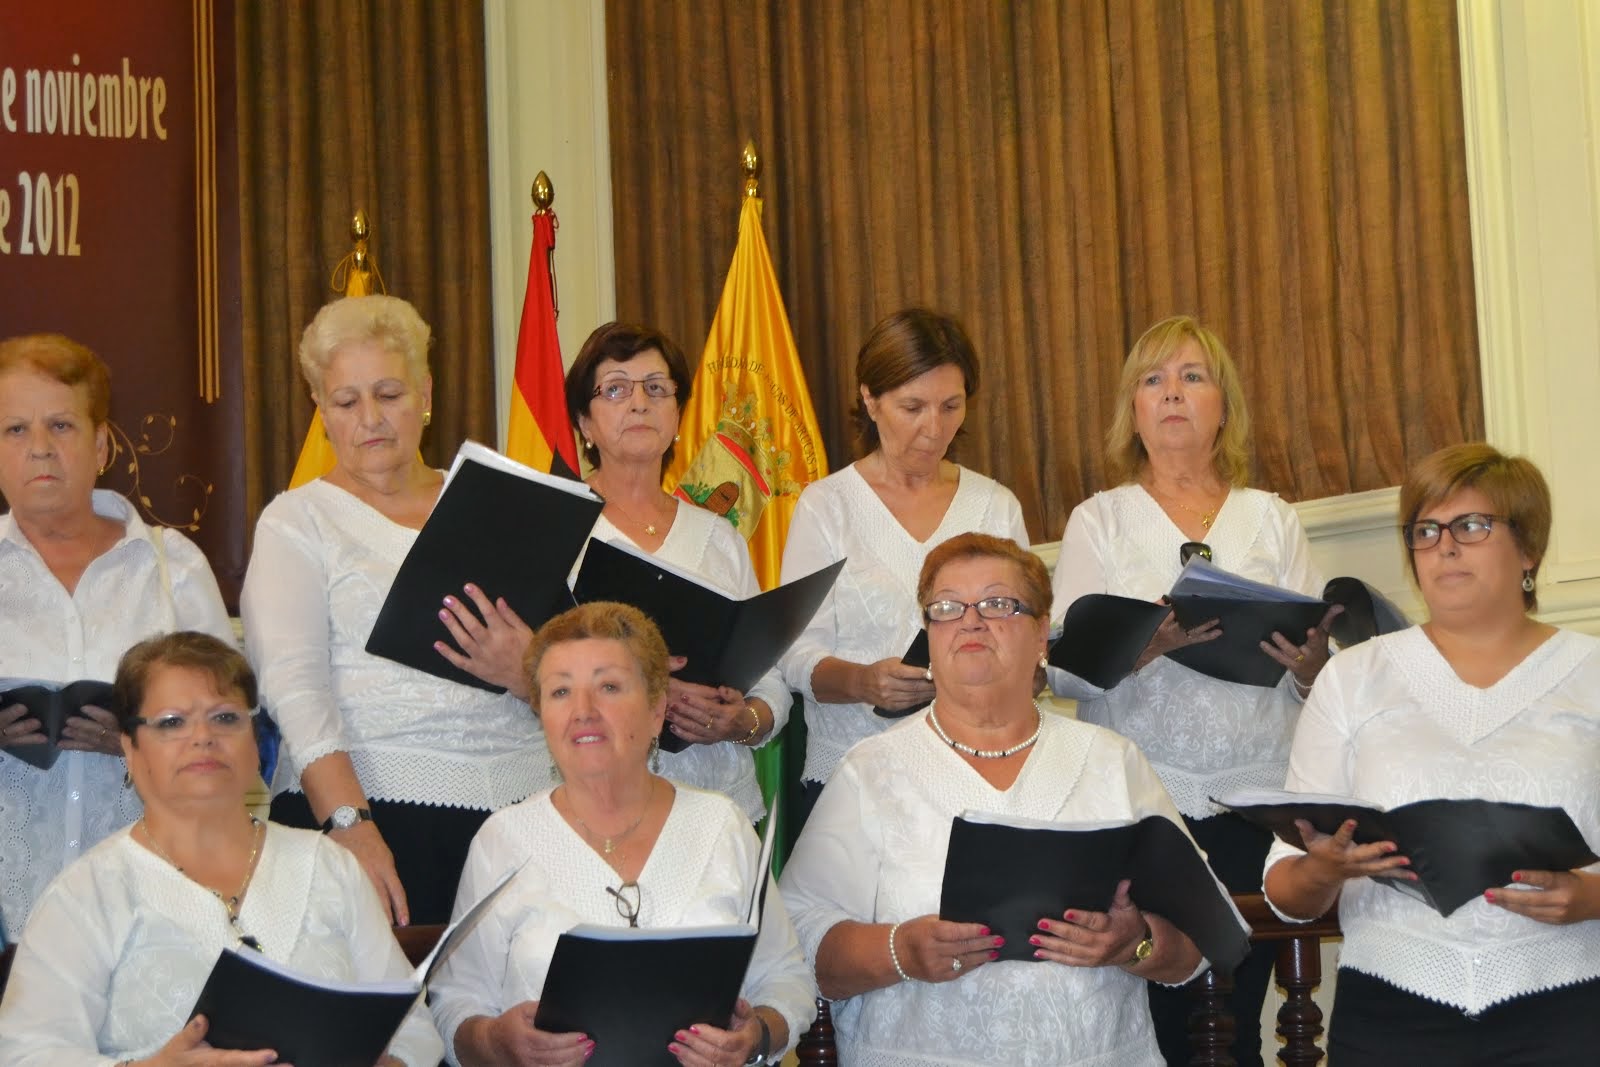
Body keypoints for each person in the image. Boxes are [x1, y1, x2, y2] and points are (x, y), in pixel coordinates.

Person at [780, 533, 1205, 1065]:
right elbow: (799, 943)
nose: (971, 620)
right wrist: (901, 952)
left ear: (1042, 635)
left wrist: (1134, 944)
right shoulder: (872, 771)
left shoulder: (1111, 762)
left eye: (998, 604)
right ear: (929, 635)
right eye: (947, 607)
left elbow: (1197, 943)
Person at [1047, 314, 1337, 1065]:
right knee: (1161, 1023)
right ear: (1133, 410)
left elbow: (1321, 682)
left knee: (1236, 1020)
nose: (1172, 393)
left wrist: (1308, 664)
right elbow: (1063, 671)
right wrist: (1150, 644)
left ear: (1223, 406)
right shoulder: (1100, 520)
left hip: (1258, 805)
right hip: (1145, 803)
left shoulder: (1271, 517)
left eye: (1192, 376)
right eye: (1153, 379)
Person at [1263, 443, 1600, 1065]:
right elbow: (1287, 888)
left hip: (1566, 1007)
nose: (1444, 545)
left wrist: (1590, 898)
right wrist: (1328, 866)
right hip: (1392, 1011)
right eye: (1426, 530)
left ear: (1529, 550)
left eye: (1472, 525)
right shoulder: (1354, 677)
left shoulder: (1591, 673)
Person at [240, 295, 548, 926]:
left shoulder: (504, 507)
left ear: (426, 394)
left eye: (389, 393)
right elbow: (294, 690)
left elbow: (575, 662)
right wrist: (350, 825)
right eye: (346, 402)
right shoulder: (297, 521)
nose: (370, 419)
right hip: (371, 812)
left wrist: (530, 673)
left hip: (527, 813)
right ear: (321, 412)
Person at [0, 630, 444, 1066]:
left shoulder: (330, 865)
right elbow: (25, 1053)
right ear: (130, 750)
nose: (203, 737)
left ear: (256, 744)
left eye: (225, 717)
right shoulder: (87, 893)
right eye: (172, 722)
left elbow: (414, 1030)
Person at [428, 601, 815, 1066]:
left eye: (608, 687)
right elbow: (454, 1004)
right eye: (560, 692)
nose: (583, 711)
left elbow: (788, 981)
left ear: (656, 711)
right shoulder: (503, 840)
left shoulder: (721, 825)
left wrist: (754, 1039)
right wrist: (495, 1042)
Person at [0, 333, 233, 941]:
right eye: (16, 430)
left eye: (61, 426)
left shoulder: (169, 568)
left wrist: (145, 742)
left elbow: (241, 741)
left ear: (100, 443)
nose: (40, 450)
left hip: (153, 905)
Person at [779, 308, 1028, 808]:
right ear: (870, 400)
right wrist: (863, 681)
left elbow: (1030, 638)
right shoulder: (828, 507)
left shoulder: (994, 506)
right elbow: (795, 656)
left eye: (951, 406)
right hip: (857, 779)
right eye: (913, 407)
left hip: (978, 776)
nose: (934, 429)